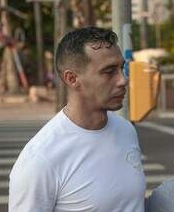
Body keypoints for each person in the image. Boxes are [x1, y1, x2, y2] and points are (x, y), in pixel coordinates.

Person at [9, 27, 146, 212]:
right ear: (72, 78)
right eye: (109, 71)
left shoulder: (126, 130)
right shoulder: (40, 159)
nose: (123, 80)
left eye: (121, 68)